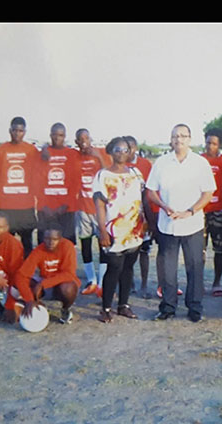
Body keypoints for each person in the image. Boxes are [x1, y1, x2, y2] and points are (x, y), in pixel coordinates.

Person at [145, 124, 216, 323]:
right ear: (171, 139)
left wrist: (190, 211)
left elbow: (208, 192)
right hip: (167, 224)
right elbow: (151, 191)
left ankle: (194, 307)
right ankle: (167, 307)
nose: (179, 140)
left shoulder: (200, 163)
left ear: (189, 139)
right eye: (175, 136)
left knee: (194, 267)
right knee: (168, 269)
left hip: (192, 224)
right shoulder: (161, 163)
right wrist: (164, 206)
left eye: (183, 136)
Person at [93, 137, 147, 323]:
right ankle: (106, 308)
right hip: (113, 230)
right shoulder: (103, 175)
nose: (122, 153)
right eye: (118, 149)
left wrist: (148, 222)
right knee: (114, 267)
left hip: (135, 229)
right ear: (110, 151)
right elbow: (100, 205)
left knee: (128, 268)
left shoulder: (136, 173)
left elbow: (144, 198)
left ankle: (123, 305)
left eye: (125, 150)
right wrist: (102, 230)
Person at [12, 224, 80, 325]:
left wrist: (43, 284)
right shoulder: (39, 250)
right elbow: (21, 275)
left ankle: (65, 310)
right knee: (15, 287)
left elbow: (69, 274)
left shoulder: (67, 246)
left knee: (68, 288)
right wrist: (29, 299)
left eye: (55, 239)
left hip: (61, 285)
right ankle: (34, 305)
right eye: (47, 238)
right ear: (43, 238)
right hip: (45, 283)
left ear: (60, 239)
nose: (51, 242)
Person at [0, 116, 40, 257]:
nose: (17, 133)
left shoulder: (31, 150)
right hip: (6, 205)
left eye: (20, 131)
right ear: (10, 131)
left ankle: (26, 272)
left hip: (26, 206)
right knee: (6, 242)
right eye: (14, 130)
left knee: (27, 242)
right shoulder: (0, 150)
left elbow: (38, 174)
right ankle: (7, 271)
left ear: (24, 132)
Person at [74, 128, 109, 298]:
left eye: (87, 138)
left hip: (100, 209)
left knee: (103, 244)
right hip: (83, 209)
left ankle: (102, 283)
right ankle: (91, 280)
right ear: (77, 142)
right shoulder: (75, 156)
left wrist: (98, 156)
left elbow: (108, 175)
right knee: (86, 245)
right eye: (81, 139)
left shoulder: (100, 153)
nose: (84, 141)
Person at [34, 122, 81, 245]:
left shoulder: (72, 154)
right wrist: (44, 206)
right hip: (45, 209)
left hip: (66, 208)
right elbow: (37, 182)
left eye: (60, 135)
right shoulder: (42, 155)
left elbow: (75, 183)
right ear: (50, 135)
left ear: (64, 136)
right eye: (54, 135)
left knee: (66, 244)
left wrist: (65, 206)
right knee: (44, 243)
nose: (57, 138)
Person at [124, 135, 156, 300]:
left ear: (135, 148)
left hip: (142, 215)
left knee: (144, 251)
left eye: (130, 147)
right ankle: (128, 284)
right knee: (127, 252)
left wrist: (150, 218)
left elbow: (148, 192)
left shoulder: (145, 164)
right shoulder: (118, 164)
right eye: (125, 148)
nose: (127, 151)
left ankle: (143, 284)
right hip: (124, 218)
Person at [201, 128, 222, 297]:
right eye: (208, 143)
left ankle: (217, 282)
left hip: (219, 211)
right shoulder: (199, 160)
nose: (210, 146)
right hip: (200, 212)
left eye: (214, 143)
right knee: (200, 250)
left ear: (220, 145)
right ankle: (199, 281)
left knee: (219, 248)